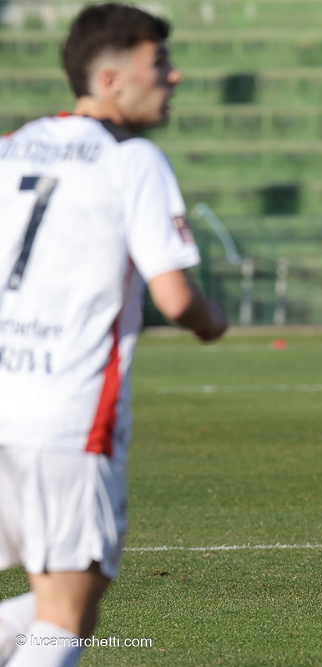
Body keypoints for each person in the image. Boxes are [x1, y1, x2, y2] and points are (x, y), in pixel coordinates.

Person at [0, 5, 228, 666]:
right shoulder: (132, 158)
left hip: (6, 396)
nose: (174, 76)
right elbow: (175, 296)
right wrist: (211, 322)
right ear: (110, 79)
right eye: (159, 63)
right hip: (68, 415)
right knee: (66, 616)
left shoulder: (14, 144)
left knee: (70, 600)